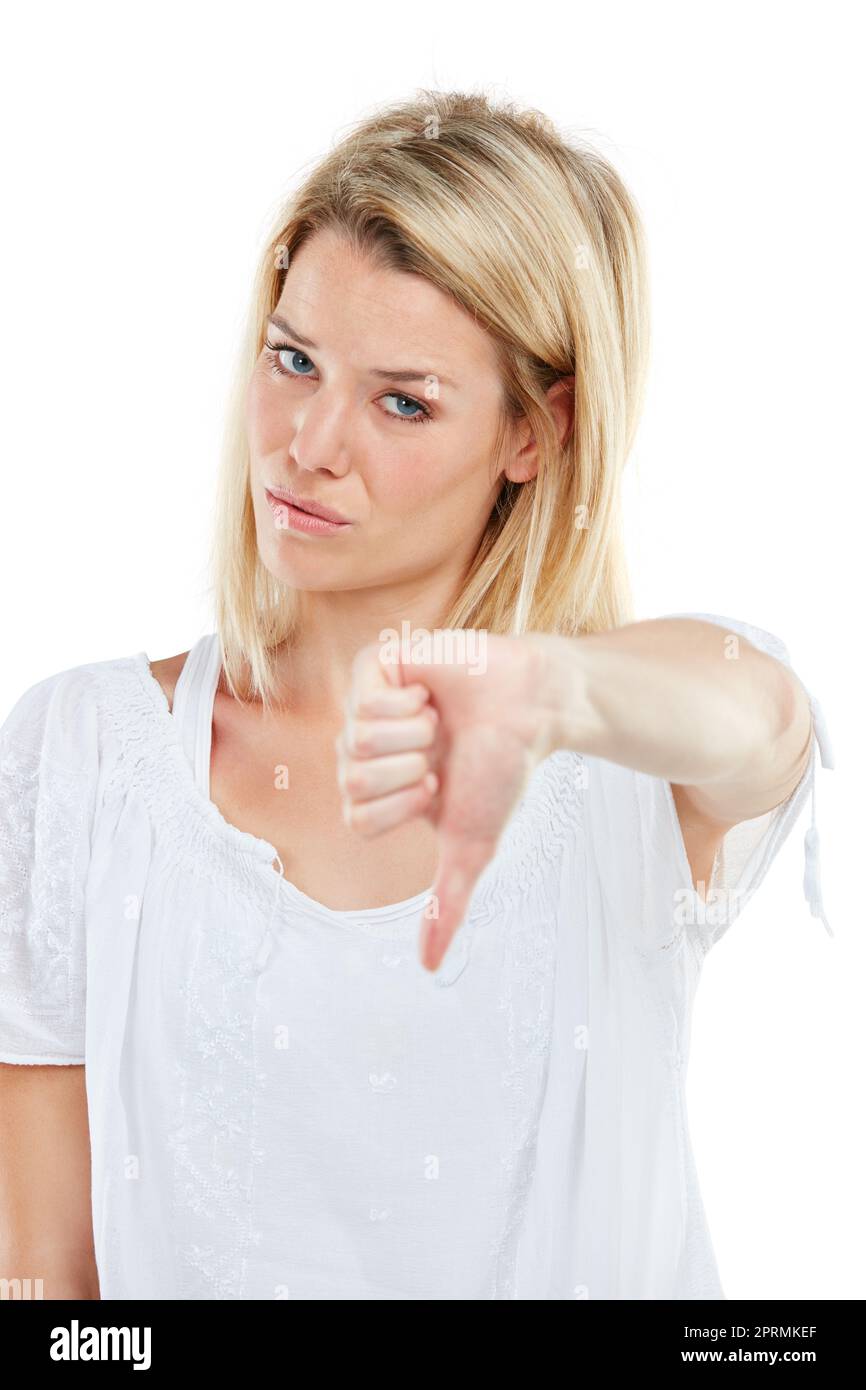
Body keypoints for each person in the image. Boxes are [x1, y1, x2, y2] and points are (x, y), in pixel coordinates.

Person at [0, 89, 833, 1300]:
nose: (308, 442)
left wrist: (546, 685)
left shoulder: (616, 766)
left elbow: (763, 719)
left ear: (533, 435)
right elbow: (43, 1282)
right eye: (293, 361)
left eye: (402, 400)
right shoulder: (82, 759)